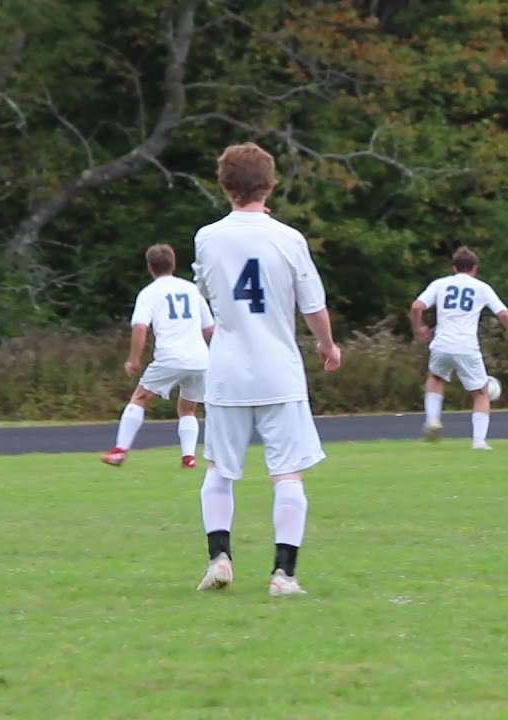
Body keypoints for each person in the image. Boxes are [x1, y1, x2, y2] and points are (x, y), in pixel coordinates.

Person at [190, 141, 342, 597]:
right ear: (271, 185)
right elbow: (313, 305)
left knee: (220, 469)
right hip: (279, 370)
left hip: (227, 370)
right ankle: (283, 574)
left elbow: (208, 292)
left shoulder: (207, 237)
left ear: (224, 186)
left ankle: (220, 557)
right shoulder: (289, 238)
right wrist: (328, 346)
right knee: (287, 474)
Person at [101, 244, 214, 469]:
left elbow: (140, 328)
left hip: (170, 356)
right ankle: (189, 457)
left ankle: (120, 450)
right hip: (200, 358)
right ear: (173, 264)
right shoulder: (192, 289)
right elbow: (210, 329)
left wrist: (133, 359)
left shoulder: (149, 293)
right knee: (188, 407)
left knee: (140, 398)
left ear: (150, 267)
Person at [411, 246, 508, 450]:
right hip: (466, 345)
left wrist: (419, 328)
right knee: (481, 393)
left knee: (435, 378)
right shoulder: (481, 287)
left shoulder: (440, 284)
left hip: (442, 344)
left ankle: (433, 419)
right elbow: (504, 314)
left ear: (454, 267)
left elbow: (417, 306)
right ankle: (479, 441)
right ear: (475, 268)